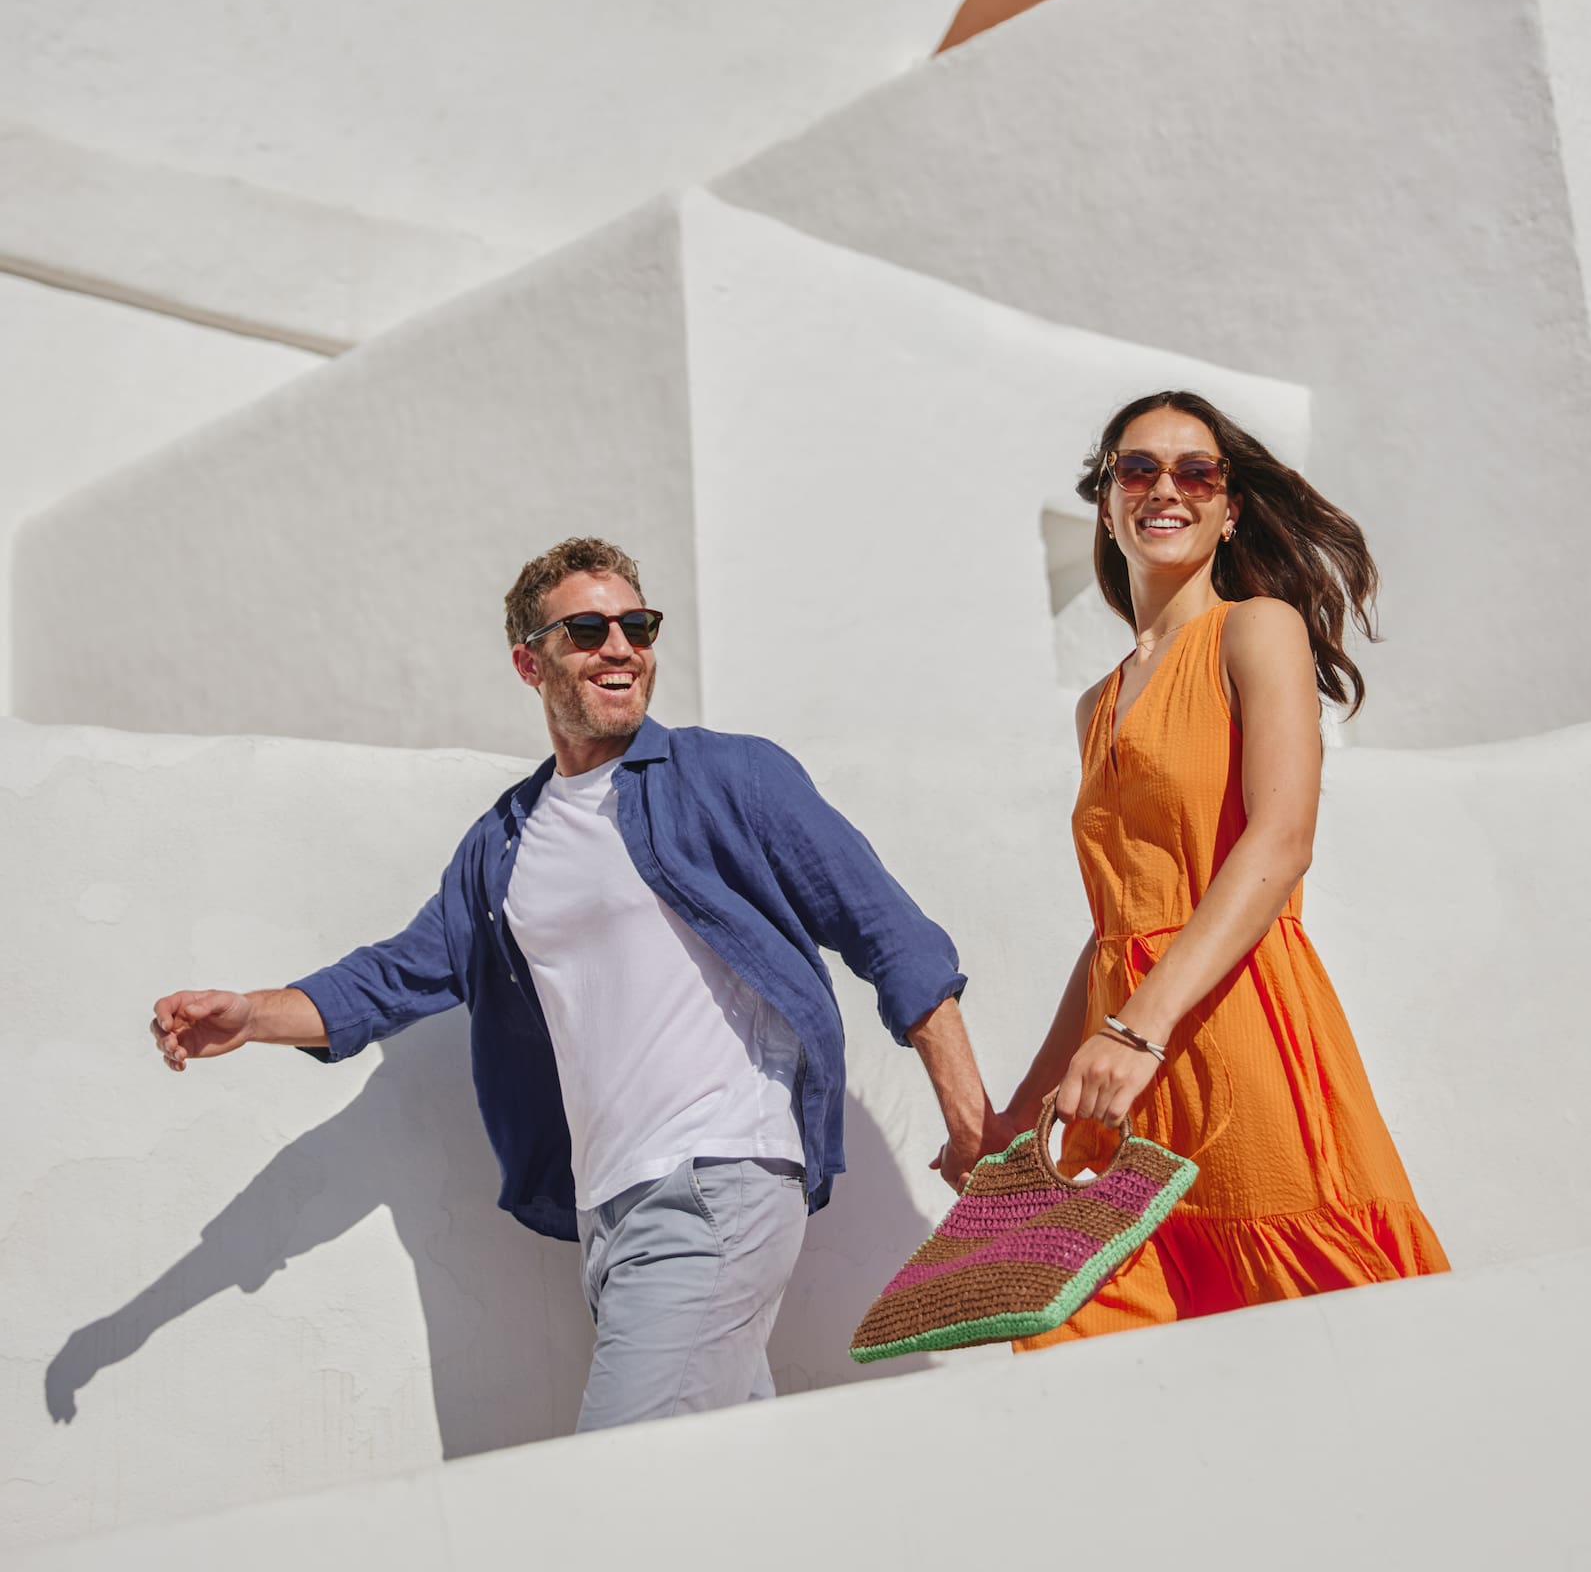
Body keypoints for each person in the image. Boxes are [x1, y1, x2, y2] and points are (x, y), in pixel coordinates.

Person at [151, 537, 991, 1428]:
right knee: (720, 1487)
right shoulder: (506, 842)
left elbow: (891, 937)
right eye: (587, 630)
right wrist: (251, 1016)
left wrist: (972, 1126)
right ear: (530, 662)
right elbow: (399, 973)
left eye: (637, 625)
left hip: (718, 1177)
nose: (620, 647)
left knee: (613, 1483)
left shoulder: (731, 777)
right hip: (609, 1211)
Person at [985, 391, 1447, 1347]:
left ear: (1229, 506)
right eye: (1137, 469)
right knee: (1074, 1336)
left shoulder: (1254, 628)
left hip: (1232, 1029)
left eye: (1196, 471)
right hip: (1123, 1057)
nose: (1167, 489)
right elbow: (1117, 919)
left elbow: (1278, 842)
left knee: (1309, 1334)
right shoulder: (1095, 704)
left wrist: (1138, 1030)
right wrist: (1028, 1106)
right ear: (1106, 505)